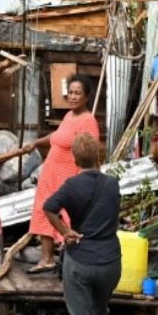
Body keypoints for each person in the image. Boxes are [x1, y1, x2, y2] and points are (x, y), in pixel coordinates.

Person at [42, 132, 123, 315]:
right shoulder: (112, 185)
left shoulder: (71, 186)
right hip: (110, 262)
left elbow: (49, 207)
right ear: (99, 157)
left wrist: (66, 231)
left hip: (80, 261)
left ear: (75, 160)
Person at [27, 74, 100, 274]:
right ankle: (47, 259)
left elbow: (90, 151)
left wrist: (89, 180)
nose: (73, 97)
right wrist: (36, 142)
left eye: (78, 93)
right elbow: (58, 136)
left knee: (67, 217)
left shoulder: (88, 121)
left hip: (68, 176)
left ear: (87, 97)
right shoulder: (69, 116)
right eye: (71, 93)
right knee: (44, 212)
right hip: (50, 173)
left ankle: (69, 263)